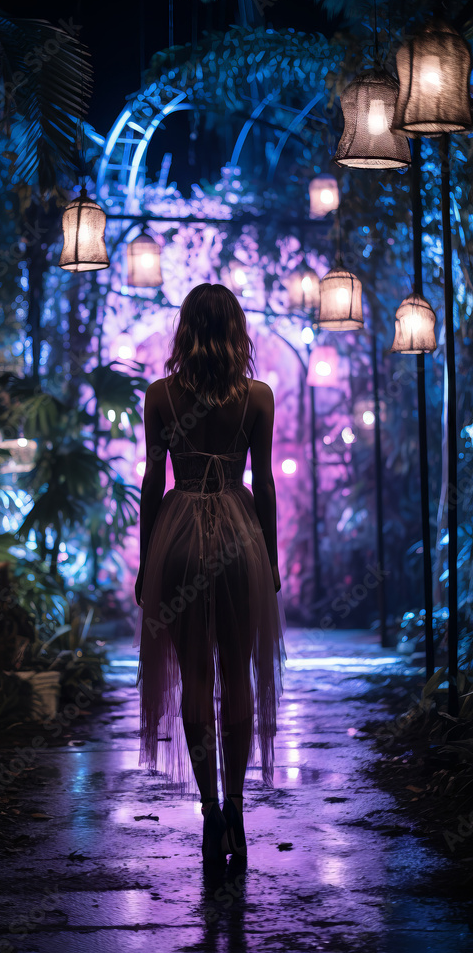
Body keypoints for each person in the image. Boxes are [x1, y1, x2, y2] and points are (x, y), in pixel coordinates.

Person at [133, 283, 287, 864]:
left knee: (195, 675)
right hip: (238, 536)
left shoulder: (160, 397)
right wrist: (268, 557)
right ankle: (238, 813)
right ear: (236, 330)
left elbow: (152, 484)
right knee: (239, 675)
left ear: (186, 330)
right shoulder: (258, 397)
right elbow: (265, 484)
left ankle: (210, 811)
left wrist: (149, 560)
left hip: (177, 536)